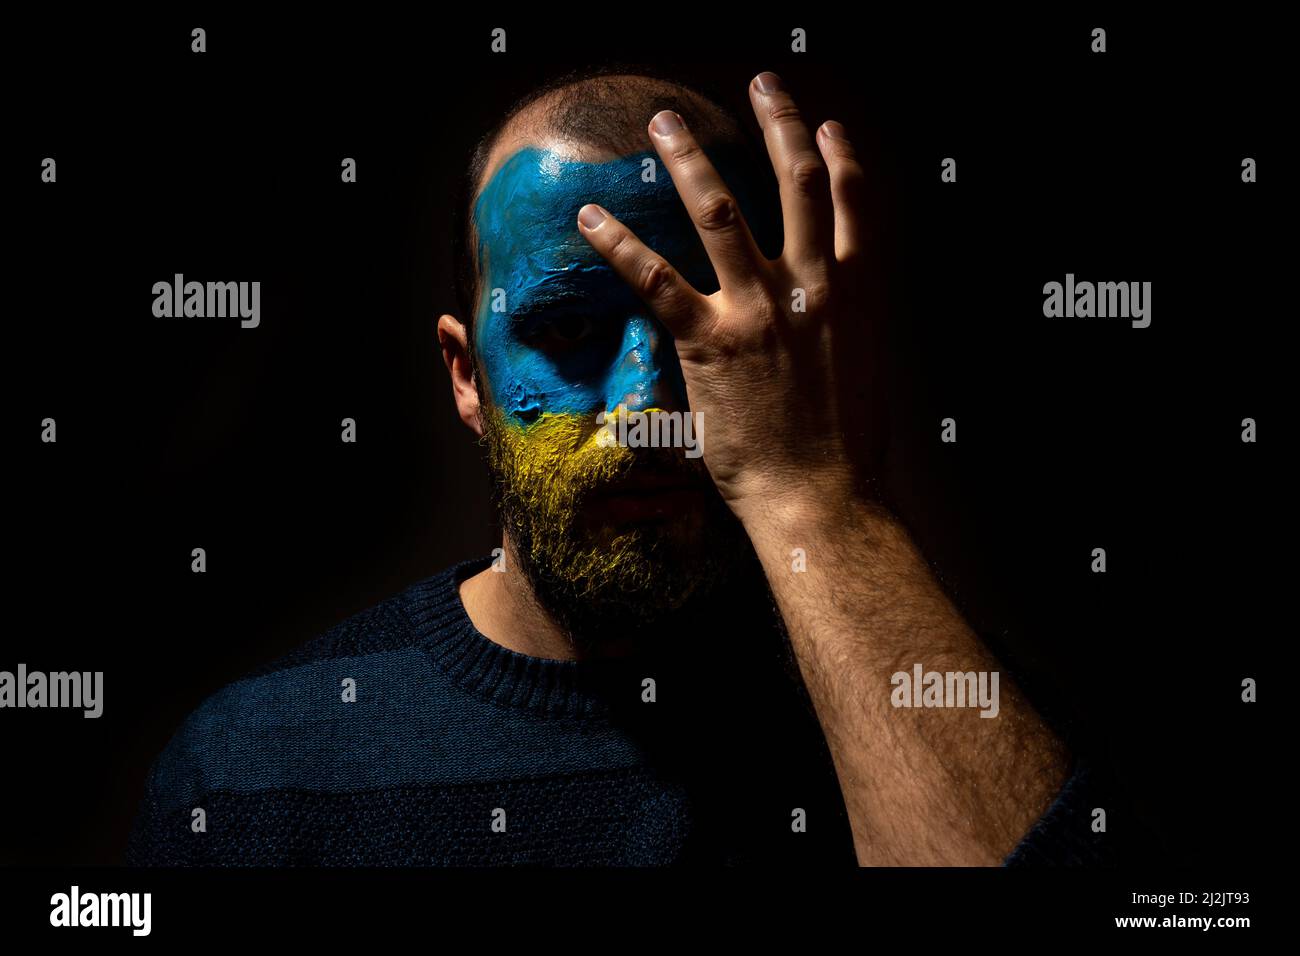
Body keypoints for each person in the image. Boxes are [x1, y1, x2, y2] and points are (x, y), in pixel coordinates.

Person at [126, 67, 1113, 866]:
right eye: (567, 326)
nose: (647, 409)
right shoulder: (255, 768)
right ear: (466, 376)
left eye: (702, 328)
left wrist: (820, 500)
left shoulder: (941, 701)